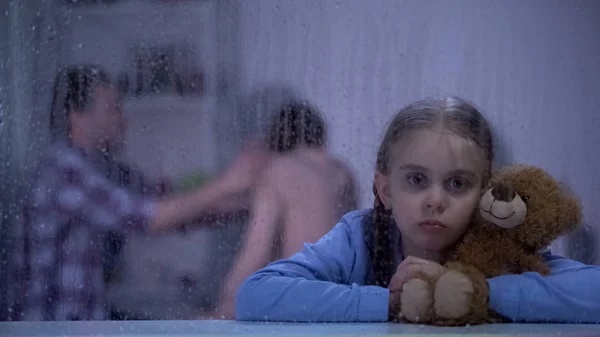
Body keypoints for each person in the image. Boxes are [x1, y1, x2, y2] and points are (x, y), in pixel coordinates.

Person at [234, 96, 600, 323]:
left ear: (485, 191)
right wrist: (389, 303)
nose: (435, 200)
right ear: (384, 188)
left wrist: (482, 293)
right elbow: (257, 294)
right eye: (416, 180)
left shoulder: (500, 244)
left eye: (457, 183)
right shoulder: (359, 236)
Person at [9, 64, 267, 321]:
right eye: (113, 109)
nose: (123, 119)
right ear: (77, 117)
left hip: (82, 324)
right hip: (48, 329)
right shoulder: (63, 169)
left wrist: (250, 202)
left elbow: (171, 205)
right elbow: (146, 217)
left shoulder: (105, 169)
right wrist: (229, 183)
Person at [201, 101, 358, 319]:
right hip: (342, 295)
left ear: (275, 142)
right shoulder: (343, 173)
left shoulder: (279, 170)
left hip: (298, 295)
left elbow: (256, 249)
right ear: (320, 136)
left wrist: (225, 304)